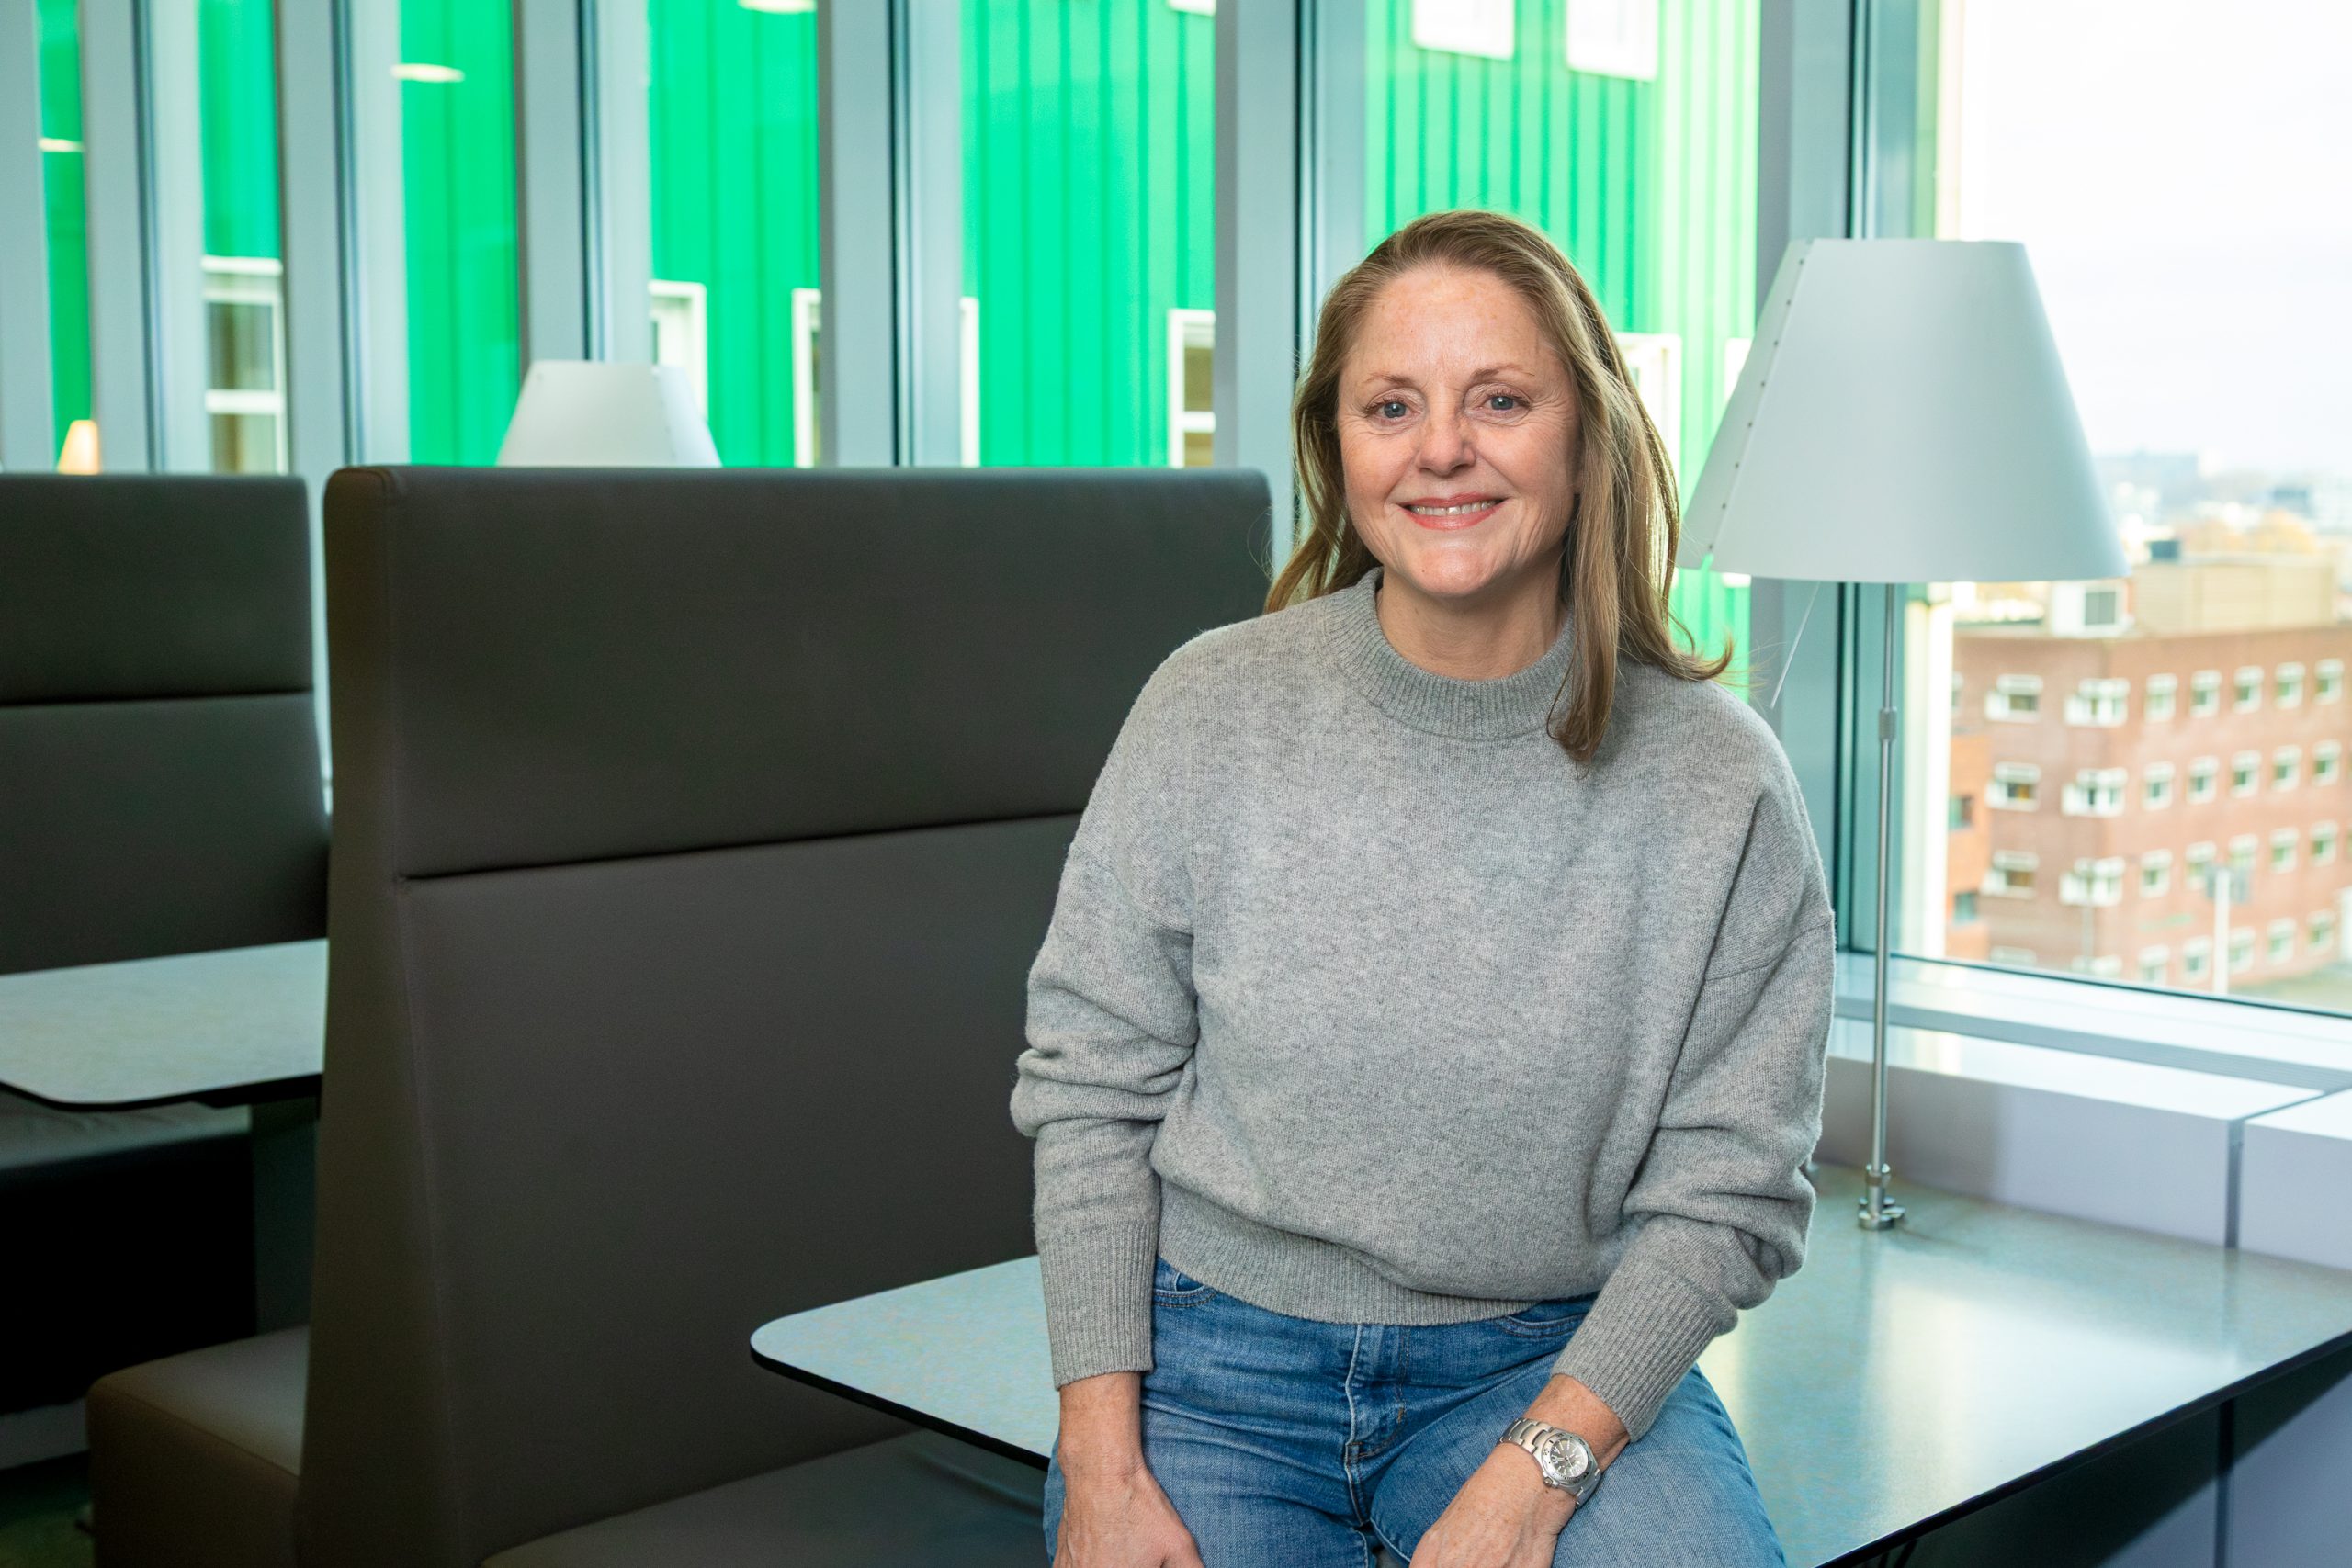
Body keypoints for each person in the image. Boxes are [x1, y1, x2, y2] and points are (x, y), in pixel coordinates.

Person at [1012, 208, 1833, 1568]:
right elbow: (1092, 1087)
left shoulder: (1719, 780)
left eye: (1500, 400)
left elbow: (1729, 1189)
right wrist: (1099, 1459)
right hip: (1209, 1365)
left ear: (1589, 436)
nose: (1442, 448)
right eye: (1391, 406)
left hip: (1546, 1364)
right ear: (1339, 448)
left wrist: (1541, 1471)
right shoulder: (1210, 705)